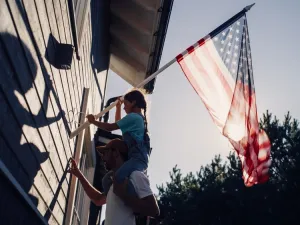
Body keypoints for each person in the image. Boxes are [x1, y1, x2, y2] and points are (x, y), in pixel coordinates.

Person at [67, 139, 159, 225]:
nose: (102, 157)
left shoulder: (135, 175)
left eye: (105, 153)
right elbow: (98, 199)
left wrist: (123, 195)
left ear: (116, 153)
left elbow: (154, 210)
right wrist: (79, 175)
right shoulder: (115, 184)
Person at [86, 89, 151, 194]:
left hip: (138, 159)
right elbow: (119, 125)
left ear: (133, 102)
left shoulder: (134, 117)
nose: (124, 107)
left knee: (118, 177)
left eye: (125, 104)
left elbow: (111, 127)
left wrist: (94, 121)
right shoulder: (137, 119)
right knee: (107, 179)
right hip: (136, 158)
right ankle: (111, 197)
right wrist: (118, 107)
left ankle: (128, 200)